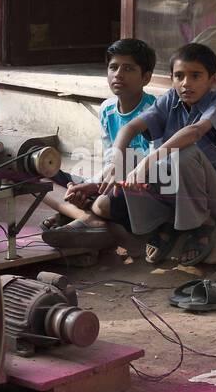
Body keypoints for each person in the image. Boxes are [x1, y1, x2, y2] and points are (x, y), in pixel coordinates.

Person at [71, 42, 216, 267]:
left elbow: (194, 132)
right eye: (179, 76)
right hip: (175, 192)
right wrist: (118, 162)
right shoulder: (170, 99)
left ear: (213, 80)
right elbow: (128, 129)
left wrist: (149, 162)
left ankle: (204, 223)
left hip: (215, 198)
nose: (186, 83)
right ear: (171, 78)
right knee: (129, 161)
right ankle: (163, 223)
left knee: (184, 152)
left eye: (196, 75)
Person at [42, 38, 158, 245]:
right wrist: (89, 185)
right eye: (113, 67)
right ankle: (83, 214)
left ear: (146, 77)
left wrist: (96, 186)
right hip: (114, 180)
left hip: (142, 188)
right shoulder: (107, 109)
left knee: (104, 203)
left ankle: (84, 219)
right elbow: (110, 162)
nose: (118, 74)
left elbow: (151, 167)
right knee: (45, 179)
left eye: (128, 68)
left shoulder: (154, 111)